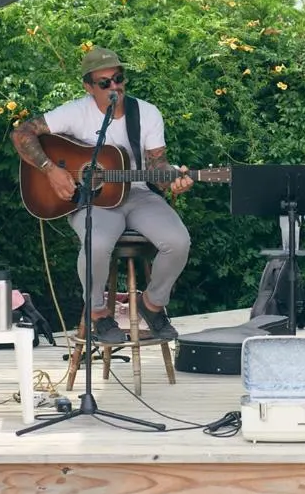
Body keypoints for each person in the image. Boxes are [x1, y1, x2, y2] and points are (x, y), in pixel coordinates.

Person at [12, 46, 193, 345]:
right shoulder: (75, 112)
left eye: (118, 79)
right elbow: (22, 134)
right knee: (96, 243)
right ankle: (97, 314)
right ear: (88, 87)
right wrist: (49, 169)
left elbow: (156, 167)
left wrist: (172, 179)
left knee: (178, 242)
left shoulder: (146, 114)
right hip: (92, 199)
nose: (114, 87)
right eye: (104, 83)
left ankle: (153, 304)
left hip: (136, 193)